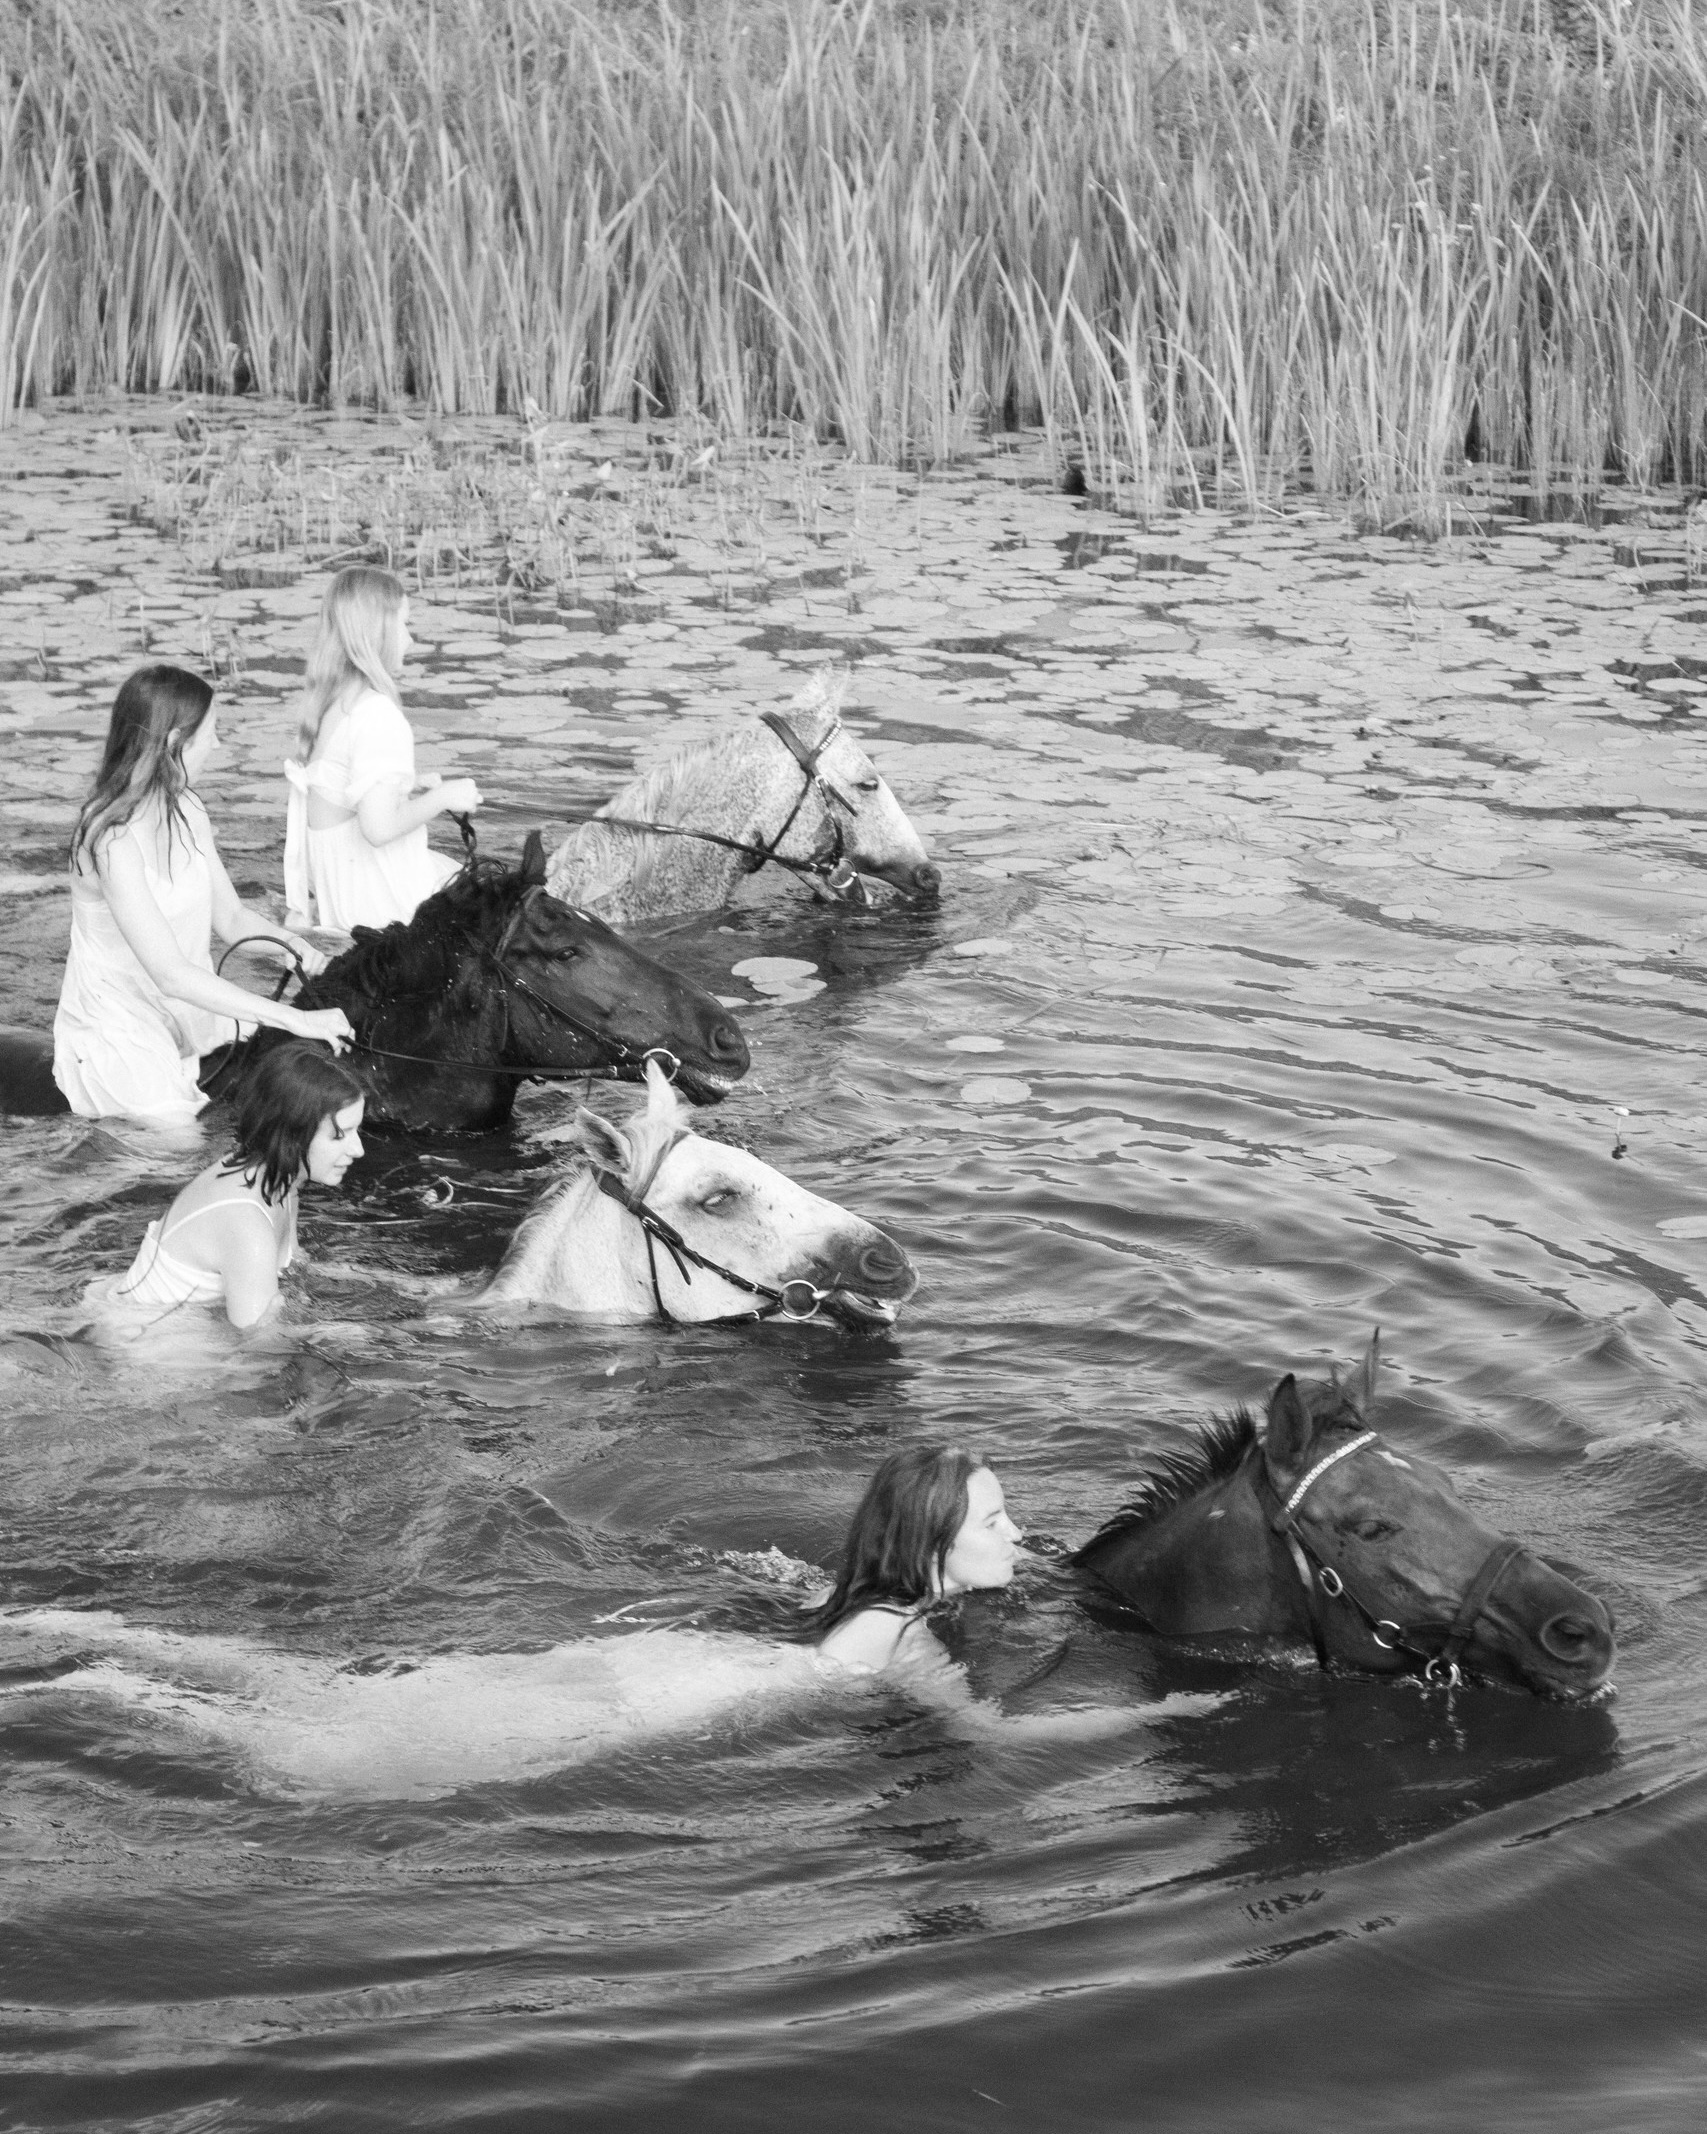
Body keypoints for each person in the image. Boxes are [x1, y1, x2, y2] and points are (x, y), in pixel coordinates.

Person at [53, 665, 354, 1122]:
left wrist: (294, 947)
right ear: (175, 743)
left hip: (190, 1011)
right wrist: (294, 1017)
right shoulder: (109, 839)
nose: (217, 744)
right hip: (120, 1026)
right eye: (212, 732)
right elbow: (170, 973)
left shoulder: (188, 808)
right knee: (179, 1146)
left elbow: (230, 918)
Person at [101, 1041, 366, 1328]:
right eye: (340, 1135)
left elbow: (295, 1271)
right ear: (292, 1134)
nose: (359, 1149)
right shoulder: (246, 1222)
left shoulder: (278, 1176)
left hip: (166, 1322)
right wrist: (347, 1332)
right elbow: (257, 1350)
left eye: (357, 1130)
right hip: (150, 1345)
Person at [284, 566, 483, 931]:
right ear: (376, 632)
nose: (410, 640)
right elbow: (378, 829)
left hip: (345, 905)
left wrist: (407, 784)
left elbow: (341, 795)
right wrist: (444, 797)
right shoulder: (378, 715)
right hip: (386, 910)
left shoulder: (333, 707)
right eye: (403, 625)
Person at [804, 1446, 1025, 1673]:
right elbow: (967, 1710)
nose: (1016, 1534)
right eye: (991, 1524)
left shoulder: (837, 1595)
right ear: (933, 1547)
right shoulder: (903, 1636)